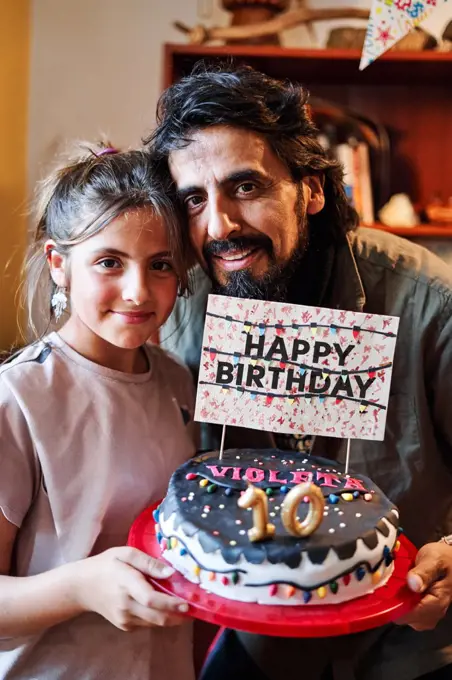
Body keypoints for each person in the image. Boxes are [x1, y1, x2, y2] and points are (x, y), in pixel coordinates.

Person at [147, 63, 452, 680]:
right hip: (259, 637)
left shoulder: (428, 302)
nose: (220, 225)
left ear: (311, 190)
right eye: (194, 199)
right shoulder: (181, 307)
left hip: (411, 643)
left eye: (247, 187)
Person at [0, 142, 197, 679]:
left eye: (160, 265)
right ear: (59, 264)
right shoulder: (18, 398)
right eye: (109, 262)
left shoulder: (178, 382)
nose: (138, 292)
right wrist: (82, 587)